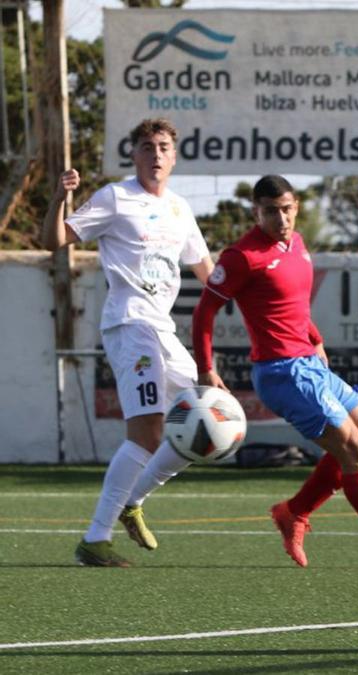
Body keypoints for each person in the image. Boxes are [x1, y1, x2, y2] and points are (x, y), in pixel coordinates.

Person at [192, 175, 358, 569]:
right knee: (353, 450)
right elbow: (203, 311)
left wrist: (314, 336)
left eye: (288, 208)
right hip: (282, 371)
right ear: (256, 211)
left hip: (309, 362)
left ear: (296, 207)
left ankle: (293, 511)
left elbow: (292, 302)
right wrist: (206, 369)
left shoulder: (296, 243)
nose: (282, 218)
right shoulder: (242, 256)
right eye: (272, 211)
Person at [41, 118, 216, 567]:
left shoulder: (179, 209)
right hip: (129, 326)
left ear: (174, 157)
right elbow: (52, 240)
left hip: (163, 331)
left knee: (207, 423)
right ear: (133, 155)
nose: (155, 154)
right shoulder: (115, 198)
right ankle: (95, 540)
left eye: (163, 147)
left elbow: (210, 276)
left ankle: (133, 501)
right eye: (146, 146)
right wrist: (61, 198)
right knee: (147, 431)